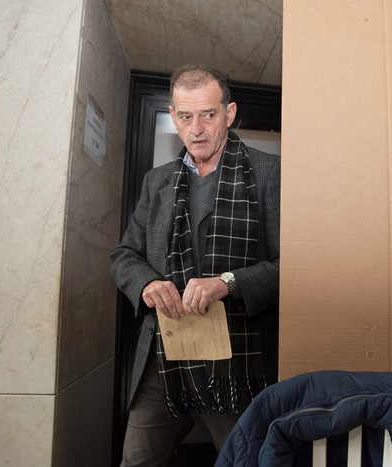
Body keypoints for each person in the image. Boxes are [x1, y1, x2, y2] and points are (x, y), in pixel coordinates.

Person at [110, 63, 280, 466]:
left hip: (234, 365)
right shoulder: (157, 181)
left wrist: (228, 283)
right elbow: (124, 254)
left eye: (208, 114)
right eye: (186, 116)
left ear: (230, 113)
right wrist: (148, 283)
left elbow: (294, 266)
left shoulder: (270, 172)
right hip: (162, 359)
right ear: (173, 117)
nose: (197, 129)